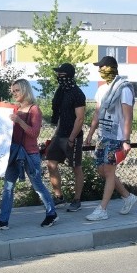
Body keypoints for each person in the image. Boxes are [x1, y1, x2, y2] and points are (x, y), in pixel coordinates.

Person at [0, 79, 58, 230]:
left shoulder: (34, 109)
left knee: (37, 186)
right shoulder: (15, 109)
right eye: (13, 91)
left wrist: (19, 120)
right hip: (14, 153)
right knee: (8, 187)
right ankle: (3, 220)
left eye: (17, 90)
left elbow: (34, 133)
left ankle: (51, 213)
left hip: (30, 154)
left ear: (25, 90)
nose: (14, 93)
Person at [83, 55, 137, 221]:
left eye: (103, 67)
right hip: (103, 135)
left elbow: (128, 116)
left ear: (112, 68)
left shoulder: (123, 89)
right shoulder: (101, 90)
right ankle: (128, 197)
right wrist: (90, 134)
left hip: (117, 137)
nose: (100, 70)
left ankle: (102, 209)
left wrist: (126, 140)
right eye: (99, 67)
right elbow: (97, 113)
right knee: (102, 171)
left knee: (109, 170)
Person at [45, 63, 86, 212]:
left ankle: (77, 200)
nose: (59, 77)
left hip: (73, 137)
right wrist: (56, 134)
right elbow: (60, 114)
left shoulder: (77, 93)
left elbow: (80, 119)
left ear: (68, 76)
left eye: (61, 74)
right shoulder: (60, 91)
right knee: (51, 164)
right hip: (60, 134)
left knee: (76, 167)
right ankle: (59, 197)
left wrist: (71, 138)